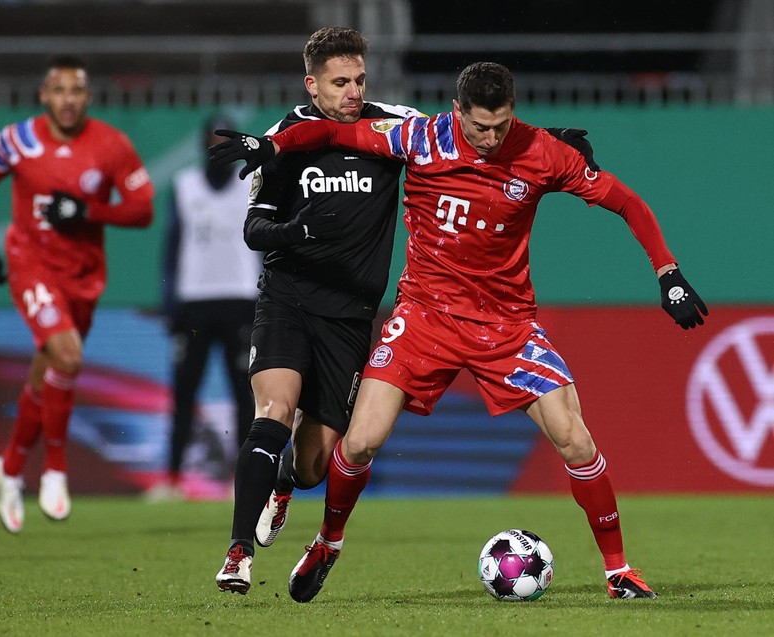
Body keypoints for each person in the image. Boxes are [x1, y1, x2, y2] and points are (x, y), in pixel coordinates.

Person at [210, 61, 707, 601]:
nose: (490, 139)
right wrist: (273, 145)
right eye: (479, 128)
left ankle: (618, 571)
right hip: (424, 317)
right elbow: (331, 129)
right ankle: (328, 541)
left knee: (575, 438)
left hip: (506, 324)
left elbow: (626, 202)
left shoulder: (543, 153)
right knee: (357, 444)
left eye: (501, 126)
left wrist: (669, 273)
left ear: (512, 112)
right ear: (457, 113)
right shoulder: (421, 137)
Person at [0, 55, 154, 533]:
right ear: (43, 96)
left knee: (49, 369)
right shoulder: (18, 140)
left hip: (84, 277)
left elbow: (142, 209)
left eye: (77, 91)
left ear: (87, 97)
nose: (68, 100)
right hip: (31, 265)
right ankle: (54, 469)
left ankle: (8, 468)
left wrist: (90, 211)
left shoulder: (111, 144)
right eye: (59, 90)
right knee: (68, 357)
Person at [147, 119, 259, 500]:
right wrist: (170, 307)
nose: (219, 149)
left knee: (245, 395)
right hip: (194, 304)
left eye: (227, 141)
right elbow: (171, 251)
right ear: (201, 145)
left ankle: (240, 481)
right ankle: (173, 479)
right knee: (183, 395)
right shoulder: (185, 187)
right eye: (213, 141)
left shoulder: (251, 184)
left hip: (241, 302)